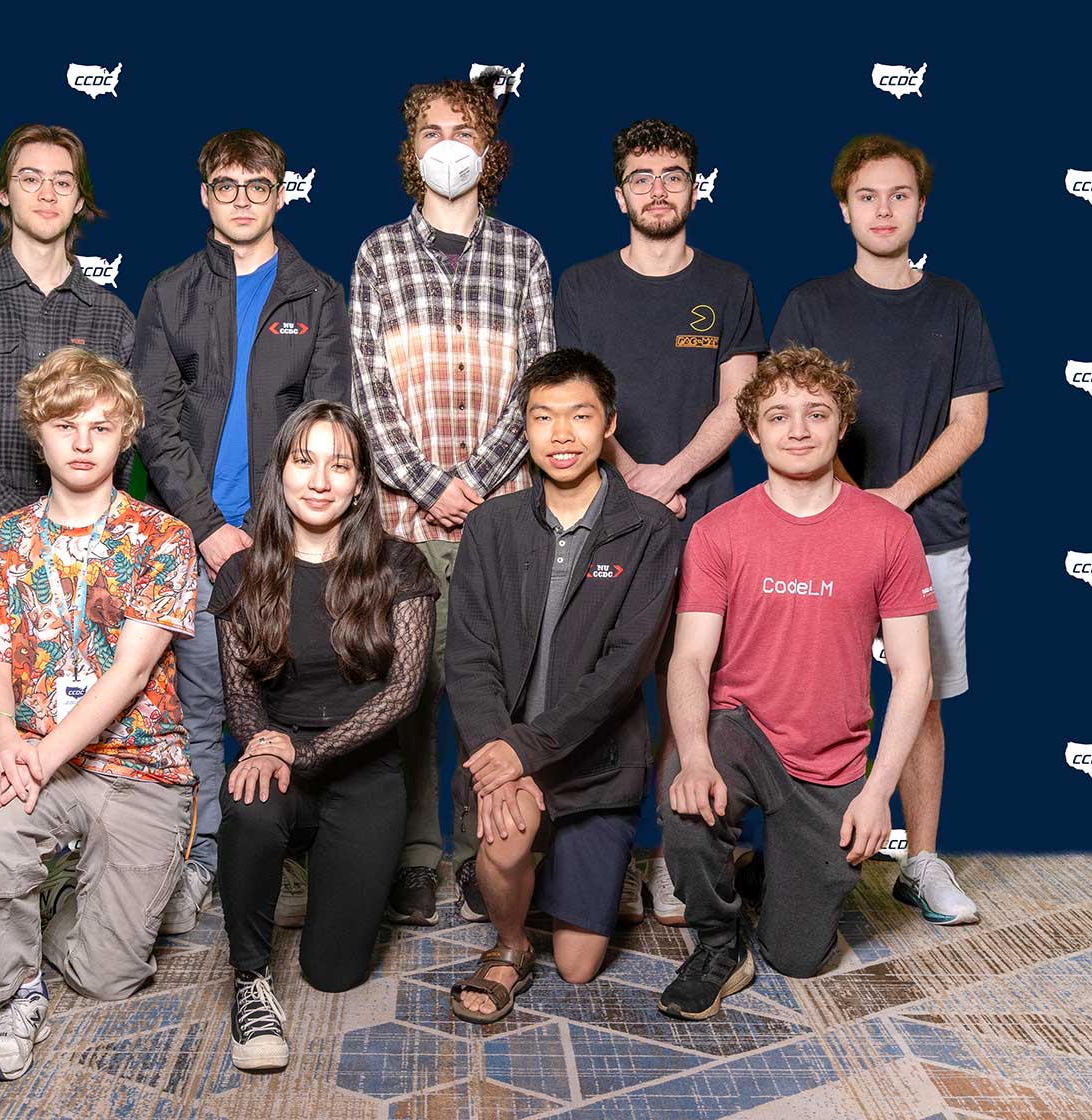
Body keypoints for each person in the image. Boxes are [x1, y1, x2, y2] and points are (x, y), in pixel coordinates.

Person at [658, 347, 934, 1021]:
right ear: (753, 431)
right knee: (688, 791)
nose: (799, 429)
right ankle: (720, 942)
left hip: (832, 758)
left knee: (800, 956)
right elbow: (690, 659)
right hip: (742, 732)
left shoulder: (888, 530)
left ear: (842, 426)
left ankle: (775, 875)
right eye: (779, 416)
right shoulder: (720, 530)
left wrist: (876, 793)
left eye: (817, 413)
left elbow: (913, 672)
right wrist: (693, 757)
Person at [0, 123, 136, 949]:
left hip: (89, 552)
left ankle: (63, 865)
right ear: (2, 192)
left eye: (62, 180)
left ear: (82, 199)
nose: (46, 192)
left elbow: (115, 438)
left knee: (77, 710)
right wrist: (31, 540)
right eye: (29, 177)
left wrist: (79, 539)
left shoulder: (110, 314)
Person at [771, 135, 1002, 925]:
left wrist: (891, 497)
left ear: (921, 207)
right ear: (844, 209)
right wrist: (849, 504)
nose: (883, 209)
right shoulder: (808, 302)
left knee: (922, 697)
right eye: (867, 196)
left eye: (899, 195)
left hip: (928, 531)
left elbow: (969, 423)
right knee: (803, 697)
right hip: (818, 532)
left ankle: (923, 861)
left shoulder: (955, 304)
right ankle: (801, 849)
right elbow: (791, 420)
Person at [0, 348, 198, 1080]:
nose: (83, 441)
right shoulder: (0, 541)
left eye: (101, 425)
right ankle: (13, 998)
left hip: (142, 768)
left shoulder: (163, 538)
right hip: (38, 758)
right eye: (66, 425)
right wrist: (3, 739)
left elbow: (128, 674)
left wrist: (37, 757)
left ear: (128, 436)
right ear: (39, 434)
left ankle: (82, 899)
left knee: (109, 974)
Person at [133, 128, 351, 936]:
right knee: (198, 711)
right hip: (194, 540)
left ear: (281, 192)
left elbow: (328, 419)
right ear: (204, 195)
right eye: (226, 187)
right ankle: (200, 862)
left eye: (258, 187)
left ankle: (294, 854)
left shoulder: (316, 293)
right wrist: (207, 526)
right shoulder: (170, 290)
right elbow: (153, 419)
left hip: (290, 539)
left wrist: (271, 529)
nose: (242, 201)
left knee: (294, 703)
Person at [351, 75, 555, 926]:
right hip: (403, 517)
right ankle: (414, 856)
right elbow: (368, 394)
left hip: (504, 516)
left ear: (489, 148)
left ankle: (484, 853)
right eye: (430, 129)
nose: (446, 143)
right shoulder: (376, 256)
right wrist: (433, 485)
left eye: (462, 129)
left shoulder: (525, 255)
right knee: (405, 697)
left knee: (494, 698)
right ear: (411, 148)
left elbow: (540, 385)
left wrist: (476, 483)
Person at [555, 119, 766, 925]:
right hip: (603, 517)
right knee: (607, 690)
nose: (657, 190)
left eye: (673, 175)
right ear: (619, 194)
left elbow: (740, 400)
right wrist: (630, 481)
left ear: (694, 187)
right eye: (641, 177)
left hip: (704, 518)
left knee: (698, 688)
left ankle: (682, 853)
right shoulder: (580, 285)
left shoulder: (729, 283)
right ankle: (610, 855)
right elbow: (570, 404)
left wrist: (667, 477)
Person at [444, 350, 682, 1023]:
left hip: (596, 760)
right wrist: (499, 757)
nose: (562, 434)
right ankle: (511, 942)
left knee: (578, 968)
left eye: (579, 415)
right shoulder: (493, 525)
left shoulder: (650, 529)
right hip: (510, 753)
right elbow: (469, 658)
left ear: (610, 421)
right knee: (505, 839)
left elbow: (623, 669)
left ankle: (569, 875)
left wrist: (527, 749)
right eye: (543, 418)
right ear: (524, 428)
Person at [211, 400, 438, 1071]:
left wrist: (302, 752)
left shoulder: (400, 567)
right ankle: (248, 979)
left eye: (338, 464)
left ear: (361, 482)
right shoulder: (241, 571)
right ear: (280, 471)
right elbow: (239, 693)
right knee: (250, 807)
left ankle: (319, 872)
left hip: (364, 774)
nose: (319, 479)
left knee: (334, 973)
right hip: (277, 766)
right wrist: (263, 745)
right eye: (303, 460)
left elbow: (403, 693)